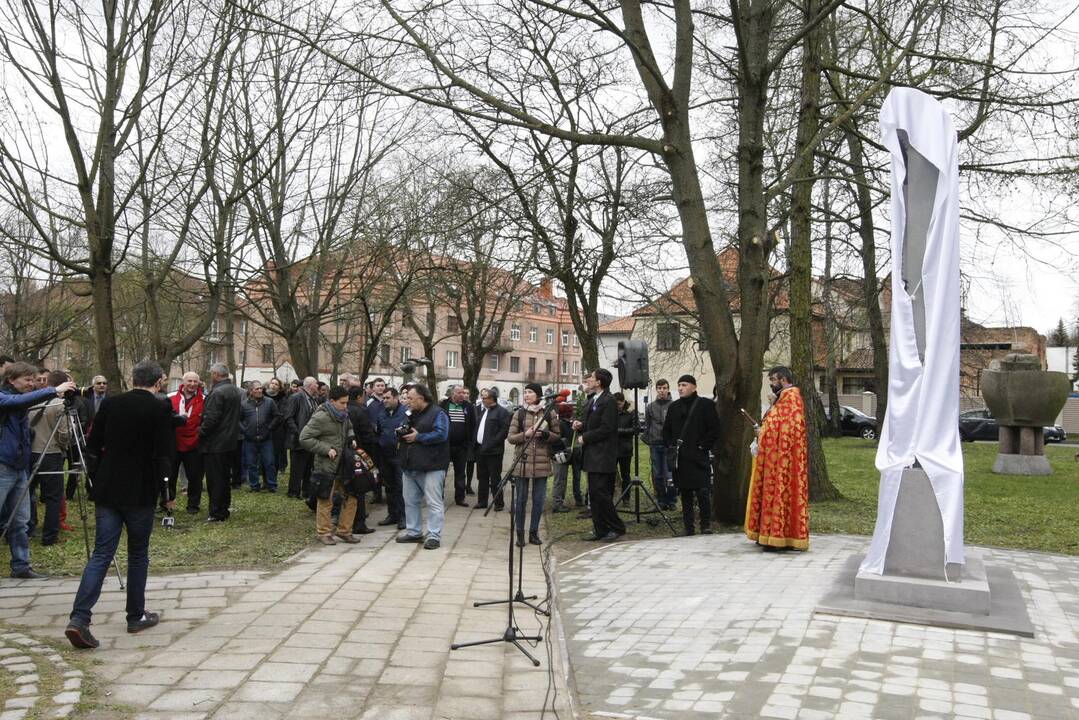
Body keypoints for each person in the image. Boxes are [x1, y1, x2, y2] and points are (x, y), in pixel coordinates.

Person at [64, 360, 174, 649]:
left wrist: (98, 475)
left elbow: (93, 443)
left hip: (109, 487)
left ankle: (79, 618)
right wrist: (167, 492)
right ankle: (135, 615)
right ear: (158, 382)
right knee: (138, 554)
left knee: (102, 553)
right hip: (140, 489)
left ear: (133, 378)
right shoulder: (160, 407)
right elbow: (165, 452)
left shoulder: (110, 404)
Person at [0, 363, 77, 578]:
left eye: (33, 379)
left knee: (21, 521)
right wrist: (54, 390)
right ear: (11, 379)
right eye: (27, 379)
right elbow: (17, 402)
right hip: (3, 466)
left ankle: (21, 566)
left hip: (19, 467)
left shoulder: (22, 400)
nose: (31, 384)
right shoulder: (4, 397)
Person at [745, 366, 810, 551]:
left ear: (783, 380)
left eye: (773, 380)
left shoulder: (792, 398)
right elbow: (775, 423)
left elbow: (786, 430)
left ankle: (778, 536)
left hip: (784, 461)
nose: (771, 384)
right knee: (773, 494)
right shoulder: (782, 399)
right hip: (776, 459)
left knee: (781, 495)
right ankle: (769, 534)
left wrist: (762, 432)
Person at [662, 375, 721, 536]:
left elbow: (715, 429)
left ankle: (705, 525)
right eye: (679, 384)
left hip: (698, 456)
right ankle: (688, 527)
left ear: (694, 387)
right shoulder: (674, 407)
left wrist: (703, 446)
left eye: (684, 384)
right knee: (685, 493)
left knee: (702, 491)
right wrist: (671, 446)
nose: (680, 388)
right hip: (680, 458)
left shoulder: (705, 405)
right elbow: (666, 430)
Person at [300, 386, 360, 545]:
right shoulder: (321, 417)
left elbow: (349, 428)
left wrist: (351, 437)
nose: (345, 406)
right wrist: (326, 449)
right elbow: (304, 438)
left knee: (352, 497)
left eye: (347, 403)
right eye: (342, 403)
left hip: (344, 464)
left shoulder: (344, 415)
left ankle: (344, 531)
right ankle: (324, 532)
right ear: (332, 401)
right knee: (326, 499)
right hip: (326, 465)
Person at [573, 369, 625, 542]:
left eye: (592, 378)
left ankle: (616, 527)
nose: (588, 380)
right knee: (594, 494)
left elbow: (607, 428)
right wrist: (581, 425)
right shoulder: (594, 399)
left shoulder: (608, 400)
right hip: (592, 455)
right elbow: (592, 422)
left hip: (603, 454)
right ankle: (600, 528)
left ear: (599, 382)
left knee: (601, 493)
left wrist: (585, 437)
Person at [396, 383, 449, 550]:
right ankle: (414, 532)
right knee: (410, 500)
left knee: (434, 502)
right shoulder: (410, 413)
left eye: (410, 398)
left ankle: (434, 535)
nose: (407, 401)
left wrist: (419, 437)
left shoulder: (438, 413)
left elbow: (442, 434)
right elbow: (407, 430)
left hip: (432, 465)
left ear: (421, 398)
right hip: (410, 464)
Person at [507, 383, 560, 546]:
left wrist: (544, 434)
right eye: (525, 392)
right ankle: (520, 534)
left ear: (538, 395)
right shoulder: (519, 413)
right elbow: (511, 438)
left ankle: (534, 533)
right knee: (521, 500)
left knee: (538, 500)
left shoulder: (549, 413)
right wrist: (526, 434)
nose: (527, 395)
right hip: (522, 462)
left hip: (542, 464)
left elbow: (557, 436)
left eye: (530, 392)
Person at [27, 371, 73, 546]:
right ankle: (49, 536)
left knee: (29, 493)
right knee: (53, 497)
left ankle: (29, 528)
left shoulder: (32, 401)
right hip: (51, 453)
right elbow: (64, 434)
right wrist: (66, 443)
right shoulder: (59, 405)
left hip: (31, 452)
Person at [198, 364, 243, 522]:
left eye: (212, 374)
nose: (211, 376)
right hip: (230, 441)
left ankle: (216, 512)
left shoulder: (217, 392)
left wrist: (200, 432)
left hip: (216, 442)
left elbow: (211, 418)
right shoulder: (235, 390)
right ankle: (223, 508)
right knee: (224, 477)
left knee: (215, 478)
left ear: (216, 374)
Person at [169, 371, 205, 514]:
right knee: (169, 477)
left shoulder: (205, 399)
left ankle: (193, 506)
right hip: (174, 444)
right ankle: (167, 504)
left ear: (199, 383)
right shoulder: (170, 398)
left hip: (195, 444)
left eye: (195, 381)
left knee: (195, 478)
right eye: (189, 381)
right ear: (183, 382)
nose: (192, 384)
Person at [345, 387, 379, 535]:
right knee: (359, 488)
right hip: (359, 453)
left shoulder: (344, 408)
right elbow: (367, 434)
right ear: (360, 397)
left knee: (347, 488)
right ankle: (359, 523)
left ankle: (346, 521)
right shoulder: (361, 410)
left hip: (344, 453)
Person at [374, 388, 407, 530]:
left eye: (388, 398)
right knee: (389, 486)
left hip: (400, 456)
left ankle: (403, 517)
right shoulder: (382, 414)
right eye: (383, 398)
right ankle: (392, 514)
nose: (385, 401)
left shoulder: (405, 413)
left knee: (400, 487)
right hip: (385, 455)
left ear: (396, 398)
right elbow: (380, 431)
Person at [473, 387, 510, 511]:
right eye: (482, 397)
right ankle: (482, 501)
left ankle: (498, 503)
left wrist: (491, 444)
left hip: (493, 452)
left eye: (484, 398)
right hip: (480, 450)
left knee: (495, 478)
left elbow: (503, 431)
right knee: (481, 477)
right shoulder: (484, 411)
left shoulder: (502, 412)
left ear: (492, 398)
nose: (482, 400)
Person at [284, 377, 320, 499]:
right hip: (299, 440)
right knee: (297, 468)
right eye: (316, 384)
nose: (318, 386)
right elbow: (289, 417)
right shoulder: (296, 398)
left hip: (311, 440)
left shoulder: (313, 400)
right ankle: (293, 492)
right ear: (310, 385)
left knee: (308, 467)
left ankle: (306, 491)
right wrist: (298, 433)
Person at [644, 378, 677, 510]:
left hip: (669, 445)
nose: (662, 391)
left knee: (669, 474)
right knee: (657, 475)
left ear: (668, 389)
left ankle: (672, 501)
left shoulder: (674, 405)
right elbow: (647, 425)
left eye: (664, 388)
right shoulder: (650, 406)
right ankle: (661, 500)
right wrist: (649, 439)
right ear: (656, 389)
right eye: (659, 388)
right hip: (655, 444)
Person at [240, 381, 279, 492]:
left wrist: (269, 428)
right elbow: (238, 420)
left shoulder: (270, 402)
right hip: (249, 440)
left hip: (266, 439)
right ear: (251, 391)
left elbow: (277, 416)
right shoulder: (244, 404)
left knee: (269, 462)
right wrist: (245, 431)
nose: (259, 391)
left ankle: (272, 485)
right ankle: (254, 485)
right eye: (256, 389)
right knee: (251, 464)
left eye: (261, 388)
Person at [440, 385, 475, 507]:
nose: (462, 395)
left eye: (463, 393)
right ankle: (439, 497)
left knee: (460, 473)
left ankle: (460, 498)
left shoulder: (468, 406)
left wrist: (470, 443)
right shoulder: (443, 405)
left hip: (462, 446)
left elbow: (472, 425)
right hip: (445, 446)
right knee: (441, 472)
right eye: (460, 392)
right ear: (452, 394)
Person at [548, 402, 575, 513]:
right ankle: (557, 504)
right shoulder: (561, 424)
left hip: (561, 455)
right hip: (559, 455)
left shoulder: (565, 423)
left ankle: (559, 502)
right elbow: (556, 439)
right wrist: (565, 445)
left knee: (561, 479)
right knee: (559, 479)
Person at [264, 377, 290, 475]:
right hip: (264, 425)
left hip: (278, 428)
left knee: (277, 450)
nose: (273, 385)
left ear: (279, 387)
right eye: (272, 383)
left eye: (276, 384)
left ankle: (278, 468)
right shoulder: (264, 395)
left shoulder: (283, 398)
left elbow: (282, 413)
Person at [613, 392, 635, 502]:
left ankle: (626, 498)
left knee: (625, 475)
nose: (617, 407)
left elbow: (635, 429)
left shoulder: (630, 413)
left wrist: (619, 431)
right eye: (615, 404)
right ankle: (610, 496)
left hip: (625, 448)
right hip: (612, 449)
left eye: (619, 404)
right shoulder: (611, 412)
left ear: (623, 402)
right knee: (610, 474)